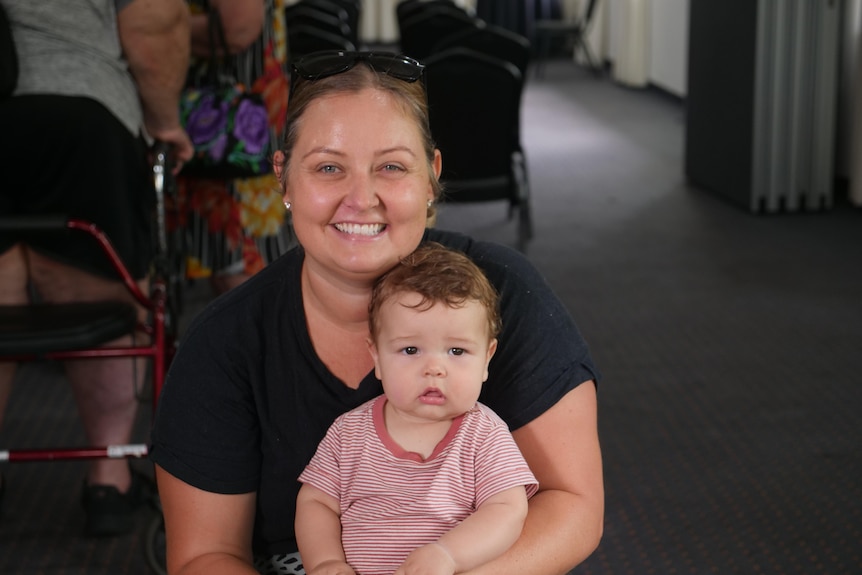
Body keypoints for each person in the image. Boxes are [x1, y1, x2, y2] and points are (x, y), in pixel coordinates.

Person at [151, 50, 604, 575]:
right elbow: (205, 556)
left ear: (431, 176)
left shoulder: (504, 294)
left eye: (391, 166)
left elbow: (572, 505)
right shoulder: (226, 344)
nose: (361, 198)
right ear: (283, 178)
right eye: (328, 167)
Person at [0, 0, 193, 536]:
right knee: (101, 299)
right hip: (77, 109)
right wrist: (165, 123)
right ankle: (108, 481)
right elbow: (154, 20)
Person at [295, 242, 539, 575]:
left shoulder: (484, 435)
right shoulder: (348, 432)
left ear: (487, 358)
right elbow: (316, 502)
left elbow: (508, 510)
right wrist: (325, 562)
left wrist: (448, 556)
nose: (434, 368)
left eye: (456, 351)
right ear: (377, 357)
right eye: (411, 349)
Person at [175, 0, 291, 294]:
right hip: (222, 119)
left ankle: (254, 339)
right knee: (234, 264)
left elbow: (237, 27)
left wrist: (152, 27)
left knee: (241, 266)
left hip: (235, 122)